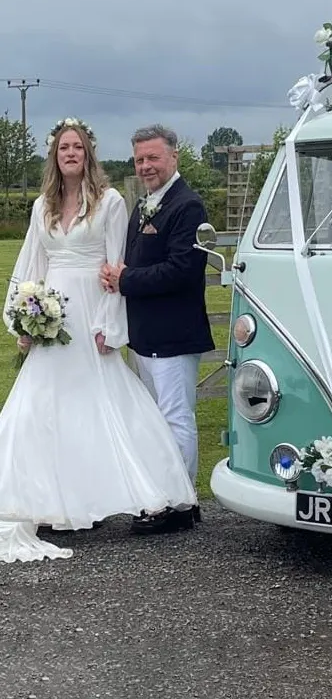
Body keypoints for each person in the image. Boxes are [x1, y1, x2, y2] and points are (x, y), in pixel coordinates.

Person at [0, 117, 199, 564]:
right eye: (63, 147)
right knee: (44, 409)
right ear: (54, 155)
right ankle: (50, 501)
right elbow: (29, 265)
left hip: (91, 311)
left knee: (104, 404)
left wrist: (110, 326)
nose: (71, 153)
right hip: (50, 312)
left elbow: (116, 266)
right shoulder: (41, 206)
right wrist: (21, 320)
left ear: (88, 153)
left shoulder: (109, 202)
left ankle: (152, 493)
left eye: (78, 147)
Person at [100, 124, 215, 534]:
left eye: (153, 157)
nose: (146, 166)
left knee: (175, 417)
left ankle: (181, 503)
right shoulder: (145, 204)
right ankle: (161, 495)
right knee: (153, 419)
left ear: (174, 157)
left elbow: (183, 270)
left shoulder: (188, 206)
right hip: (145, 335)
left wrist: (125, 280)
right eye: (139, 159)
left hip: (174, 334)